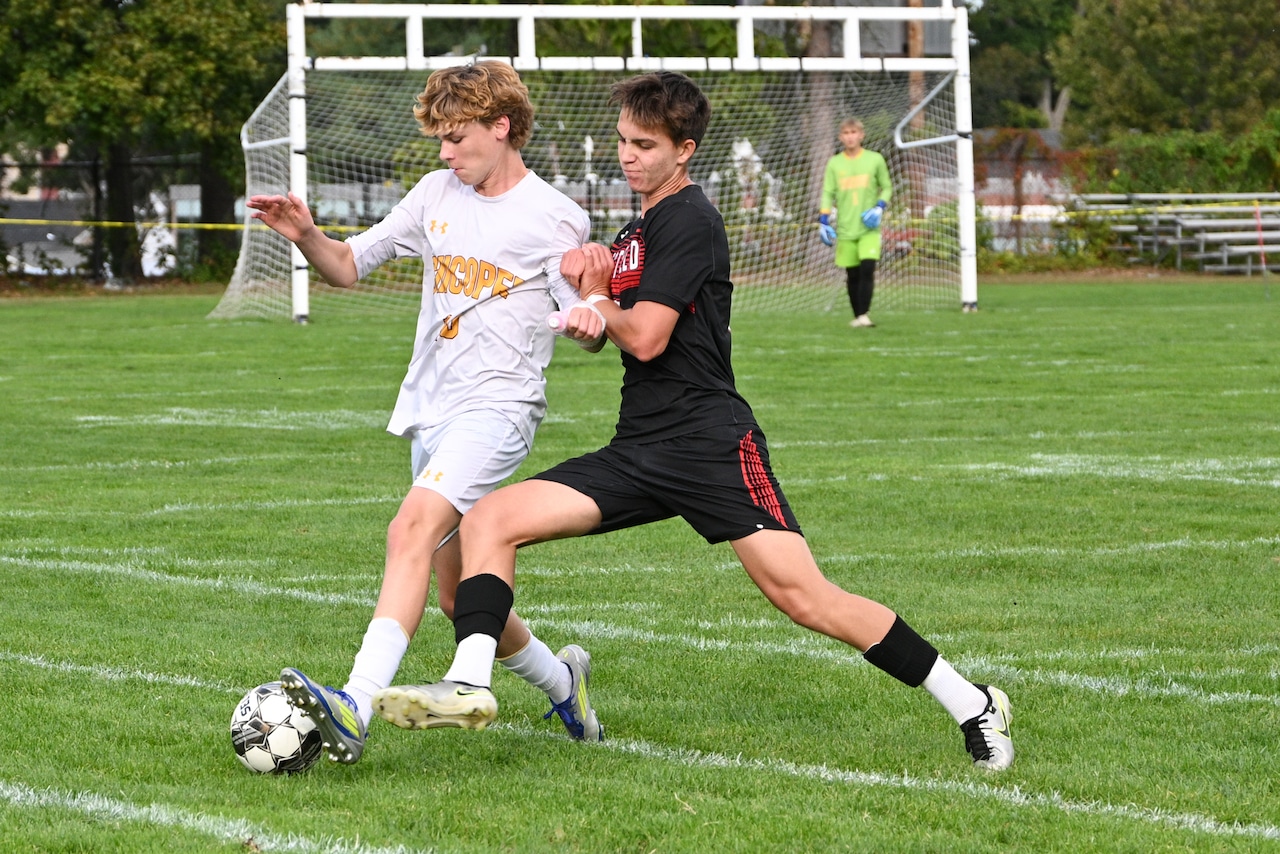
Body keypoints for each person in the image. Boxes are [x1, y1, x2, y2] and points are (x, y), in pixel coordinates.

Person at [371, 72, 1014, 771]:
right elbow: (597, 321)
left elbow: (643, 335)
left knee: (805, 598)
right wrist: (591, 279)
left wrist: (594, 290)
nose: (628, 156)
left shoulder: (691, 221)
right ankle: (469, 684)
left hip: (711, 445)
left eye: (645, 145)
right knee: (491, 519)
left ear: (685, 150)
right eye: (622, 141)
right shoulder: (638, 227)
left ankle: (972, 702)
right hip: (639, 446)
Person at [245, 61, 609, 765]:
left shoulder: (555, 214)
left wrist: (589, 319)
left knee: (407, 525)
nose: (444, 152)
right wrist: (306, 235)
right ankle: (567, 685)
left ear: (502, 127)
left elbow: (583, 309)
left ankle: (353, 702)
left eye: (456, 137)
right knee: (455, 597)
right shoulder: (434, 192)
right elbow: (350, 266)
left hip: (501, 409)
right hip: (433, 412)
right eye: (439, 139)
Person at [818, 117, 893, 329]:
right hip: (845, 228)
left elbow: (887, 187)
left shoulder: (875, 160)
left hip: (869, 228)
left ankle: (864, 315)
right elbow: (827, 193)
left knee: (868, 267)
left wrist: (879, 206)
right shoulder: (835, 163)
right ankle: (858, 314)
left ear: (861, 135)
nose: (850, 137)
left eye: (854, 132)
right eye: (846, 133)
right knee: (852, 274)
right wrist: (823, 219)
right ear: (841, 137)